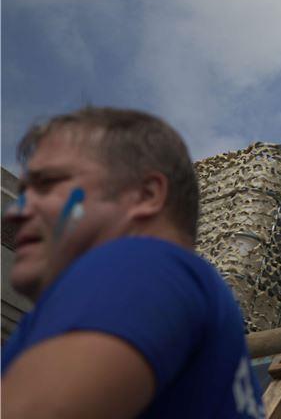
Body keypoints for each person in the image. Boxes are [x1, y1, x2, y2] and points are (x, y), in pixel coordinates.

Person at [2, 107, 264, 418]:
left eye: (48, 185)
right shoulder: (198, 315)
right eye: (23, 193)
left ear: (145, 195)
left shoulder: (146, 264)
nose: (15, 212)